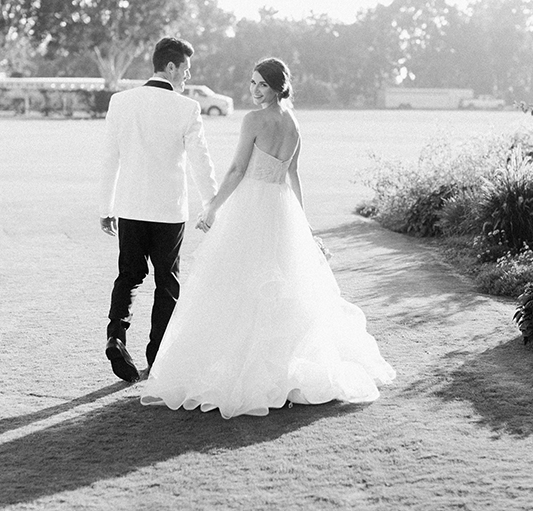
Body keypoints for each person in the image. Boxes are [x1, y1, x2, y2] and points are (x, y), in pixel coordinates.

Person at [140, 58, 395, 418]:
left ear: (277, 86)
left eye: (261, 84)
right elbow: (293, 176)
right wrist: (303, 224)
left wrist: (212, 207)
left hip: (252, 206)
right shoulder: (293, 124)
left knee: (238, 285)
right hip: (281, 208)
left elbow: (238, 169)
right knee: (278, 286)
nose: (255, 90)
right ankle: (279, 371)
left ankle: (246, 373)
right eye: (252, 83)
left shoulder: (254, 120)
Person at [99, 37, 217, 383]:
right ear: (171, 67)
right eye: (186, 69)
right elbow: (201, 162)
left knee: (129, 275)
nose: (187, 76)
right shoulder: (187, 108)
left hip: (131, 207)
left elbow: (110, 158)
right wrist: (211, 204)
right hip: (169, 212)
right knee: (167, 282)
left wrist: (105, 208)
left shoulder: (121, 102)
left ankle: (116, 336)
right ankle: (158, 355)